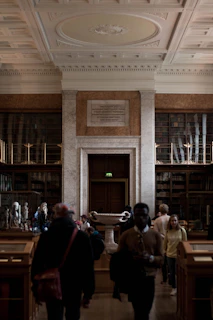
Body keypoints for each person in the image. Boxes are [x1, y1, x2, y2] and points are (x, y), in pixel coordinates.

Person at [31, 203, 95, 320]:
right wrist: (88, 292)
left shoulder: (47, 236)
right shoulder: (81, 237)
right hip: (74, 283)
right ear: (70, 217)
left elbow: (37, 262)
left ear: (56, 215)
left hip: (52, 281)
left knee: (54, 315)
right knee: (73, 314)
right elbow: (88, 266)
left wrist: (35, 287)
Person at [116, 202, 163, 320]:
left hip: (149, 278)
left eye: (144, 215)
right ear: (134, 217)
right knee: (138, 310)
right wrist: (131, 259)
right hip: (133, 278)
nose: (141, 218)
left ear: (148, 217)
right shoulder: (126, 235)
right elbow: (119, 259)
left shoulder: (155, 235)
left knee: (146, 310)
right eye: (138, 215)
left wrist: (151, 258)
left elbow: (162, 259)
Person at [164, 214, 187, 296]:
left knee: (180, 272)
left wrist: (184, 254)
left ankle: (181, 287)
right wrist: (164, 252)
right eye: (172, 221)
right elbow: (165, 243)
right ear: (169, 222)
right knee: (172, 272)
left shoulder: (182, 230)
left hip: (179, 255)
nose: (173, 222)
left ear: (177, 222)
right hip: (170, 254)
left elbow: (185, 243)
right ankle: (174, 287)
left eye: (175, 220)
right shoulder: (168, 231)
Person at [153, 203, 170, 284]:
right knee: (171, 258)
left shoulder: (157, 220)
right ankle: (171, 277)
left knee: (163, 260)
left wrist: (163, 236)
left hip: (161, 240)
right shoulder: (170, 218)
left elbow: (155, 233)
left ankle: (164, 278)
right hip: (171, 240)